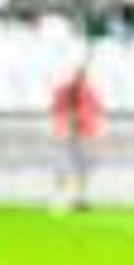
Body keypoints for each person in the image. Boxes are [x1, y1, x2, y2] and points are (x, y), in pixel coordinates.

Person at [50, 64, 104, 213]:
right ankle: (59, 198)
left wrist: (87, 126)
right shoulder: (63, 91)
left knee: (83, 168)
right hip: (66, 133)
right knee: (62, 166)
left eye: (82, 76)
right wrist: (65, 124)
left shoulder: (89, 92)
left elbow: (95, 111)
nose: (80, 78)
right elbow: (57, 110)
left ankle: (79, 199)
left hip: (83, 133)